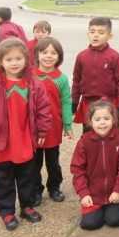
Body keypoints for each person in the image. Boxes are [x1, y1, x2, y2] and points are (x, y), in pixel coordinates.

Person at [0, 38, 52, 230]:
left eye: (18, 58)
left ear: (26, 59)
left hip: (25, 140)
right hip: (2, 142)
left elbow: (44, 109)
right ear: (0, 61)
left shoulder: (34, 84)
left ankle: (27, 206)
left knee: (28, 176)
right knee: (3, 179)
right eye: (9, 59)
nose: (14, 63)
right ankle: (7, 212)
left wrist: (42, 129)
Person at [70, 99, 119, 230]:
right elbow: (77, 169)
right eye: (97, 119)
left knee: (115, 220)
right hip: (93, 194)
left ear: (113, 120)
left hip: (113, 193)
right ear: (90, 122)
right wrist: (84, 193)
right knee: (90, 224)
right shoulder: (84, 142)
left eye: (106, 118)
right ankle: (100, 209)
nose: (102, 123)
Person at [32, 36, 73, 206]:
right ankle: (36, 190)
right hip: (33, 126)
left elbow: (66, 102)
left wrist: (68, 124)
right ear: (37, 54)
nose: (48, 56)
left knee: (52, 161)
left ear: (59, 57)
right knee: (34, 162)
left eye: (53, 53)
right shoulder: (30, 76)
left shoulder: (61, 79)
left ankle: (54, 187)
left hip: (53, 126)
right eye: (44, 52)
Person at [71, 17, 119, 128]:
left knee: (111, 134)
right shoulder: (81, 56)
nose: (95, 35)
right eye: (92, 32)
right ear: (88, 34)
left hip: (109, 103)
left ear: (109, 36)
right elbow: (76, 81)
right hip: (88, 104)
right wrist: (74, 102)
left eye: (101, 32)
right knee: (88, 135)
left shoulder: (115, 57)